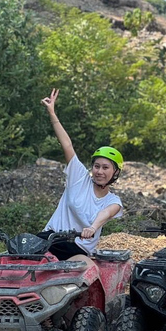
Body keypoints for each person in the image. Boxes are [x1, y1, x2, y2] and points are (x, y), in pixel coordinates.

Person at [40, 89, 124, 261]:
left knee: (86, 271)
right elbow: (68, 146)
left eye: (105, 167)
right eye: (97, 166)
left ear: (115, 172)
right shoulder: (79, 177)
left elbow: (106, 213)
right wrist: (52, 114)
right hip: (51, 239)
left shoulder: (113, 201)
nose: (99, 171)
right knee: (17, 255)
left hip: (77, 249)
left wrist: (92, 228)